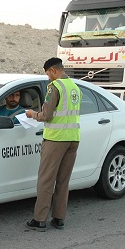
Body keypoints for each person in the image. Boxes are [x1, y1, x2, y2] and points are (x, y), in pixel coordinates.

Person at [24, 57, 81, 232]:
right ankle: (59, 218)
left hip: (56, 138)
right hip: (73, 138)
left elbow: (47, 115)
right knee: (63, 180)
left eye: (48, 73)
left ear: (54, 70)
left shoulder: (54, 87)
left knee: (46, 180)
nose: (48, 77)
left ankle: (40, 219)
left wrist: (33, 114)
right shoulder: (75, 87)